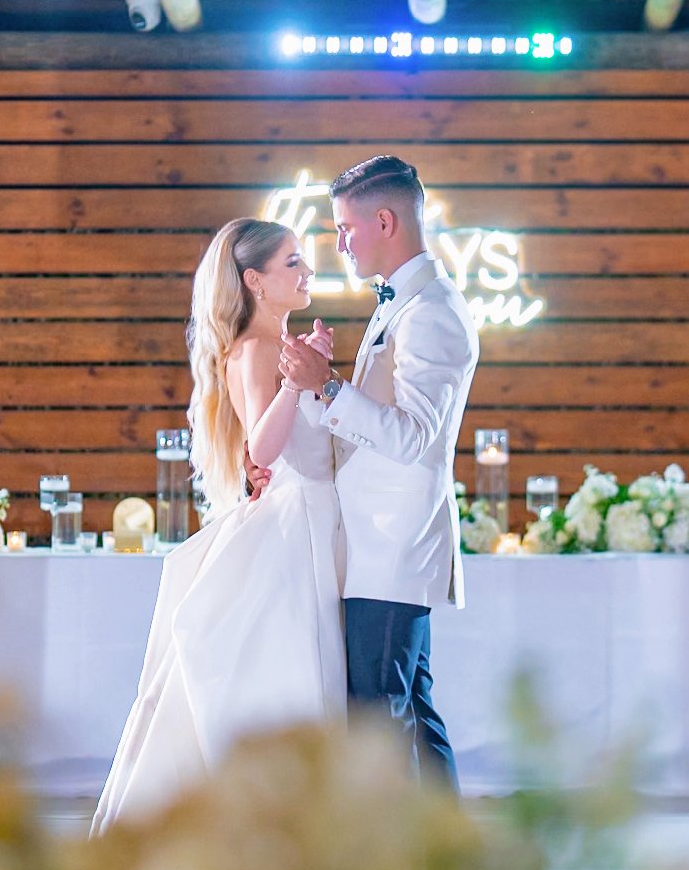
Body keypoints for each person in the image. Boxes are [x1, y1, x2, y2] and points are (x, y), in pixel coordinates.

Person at [91, 218, 345, 834]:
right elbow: (263, 446)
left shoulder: (273, 347)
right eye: (292, 263)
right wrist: (296, 383)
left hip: (310, 516)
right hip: (292, 526)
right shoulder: (258, 351)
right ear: (255, 280)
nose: (306, 272)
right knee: (287, 672)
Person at [280, 155, 479, 791]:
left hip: (393, 547)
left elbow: (415, 438)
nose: (338, 244)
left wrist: (329, 388)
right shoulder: (404, 302)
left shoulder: (432, 314)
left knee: (380, 720)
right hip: (372, 542)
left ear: (385, 220)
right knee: (410, 716)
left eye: (345, 228)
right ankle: (444, 864)